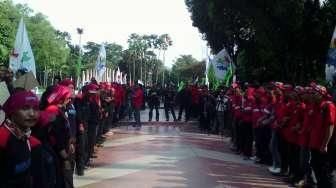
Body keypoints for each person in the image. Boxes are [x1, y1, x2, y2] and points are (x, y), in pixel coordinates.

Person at [0, 90, 43, 188]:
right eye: (25, 108)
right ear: (12, 111)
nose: (32, 114)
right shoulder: (2, 139)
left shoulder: (30, 141)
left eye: (36, 108)